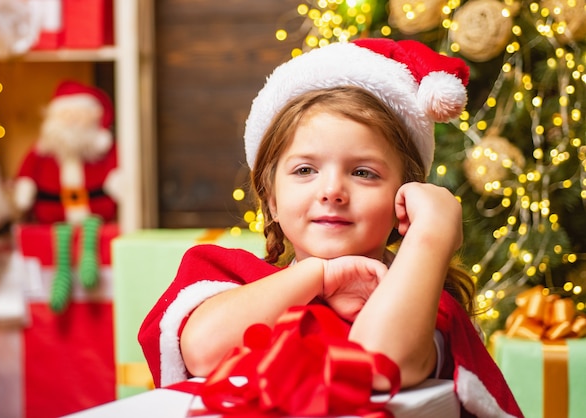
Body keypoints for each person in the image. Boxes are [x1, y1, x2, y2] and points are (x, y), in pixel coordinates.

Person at [139, 38, 523, 417]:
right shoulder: (231, 280)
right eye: (305, 170)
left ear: (403, 199)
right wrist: (319, 276)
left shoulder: (413, 298)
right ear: (271, 198)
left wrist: (431, 235)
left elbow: (377, 361)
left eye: (363, 172)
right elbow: (203, 349)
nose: (332, 191)